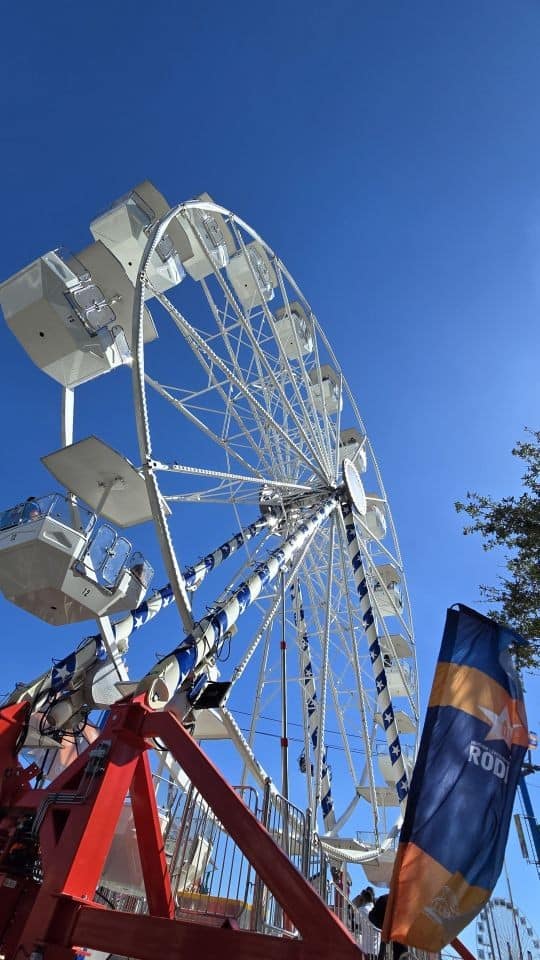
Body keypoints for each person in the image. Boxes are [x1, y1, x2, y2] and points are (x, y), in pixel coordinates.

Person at [369, 893, 407, 960]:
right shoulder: (384, 899)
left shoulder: (405, 901)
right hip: (388, 935)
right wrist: (384, 926)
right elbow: (371, 916)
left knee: (401, 954)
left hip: (399, 936)